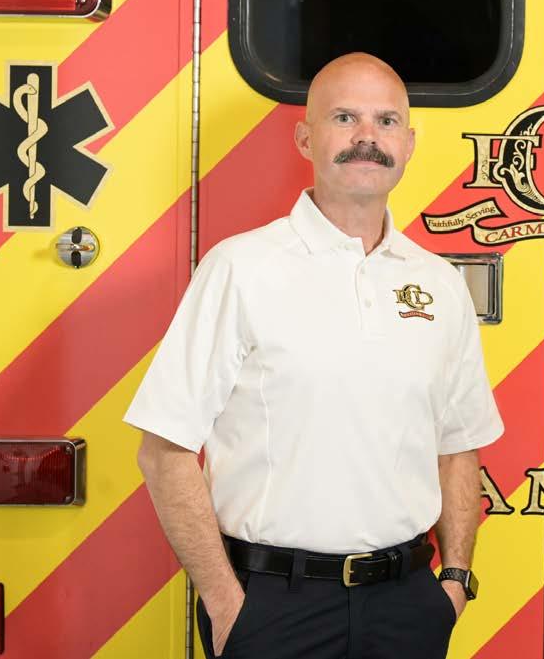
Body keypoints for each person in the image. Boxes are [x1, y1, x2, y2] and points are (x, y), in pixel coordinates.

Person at [124, 53, 503, 659]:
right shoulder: (240, 268)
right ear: (305, 138)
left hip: (407, 605)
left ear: (408, 144)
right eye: (344, 117)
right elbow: (164, 450)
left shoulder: (438, 284)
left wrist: (454, 581)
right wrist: (225, 602)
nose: (366, 137)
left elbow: (459, 446)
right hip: (273, 608)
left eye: (385, 121)